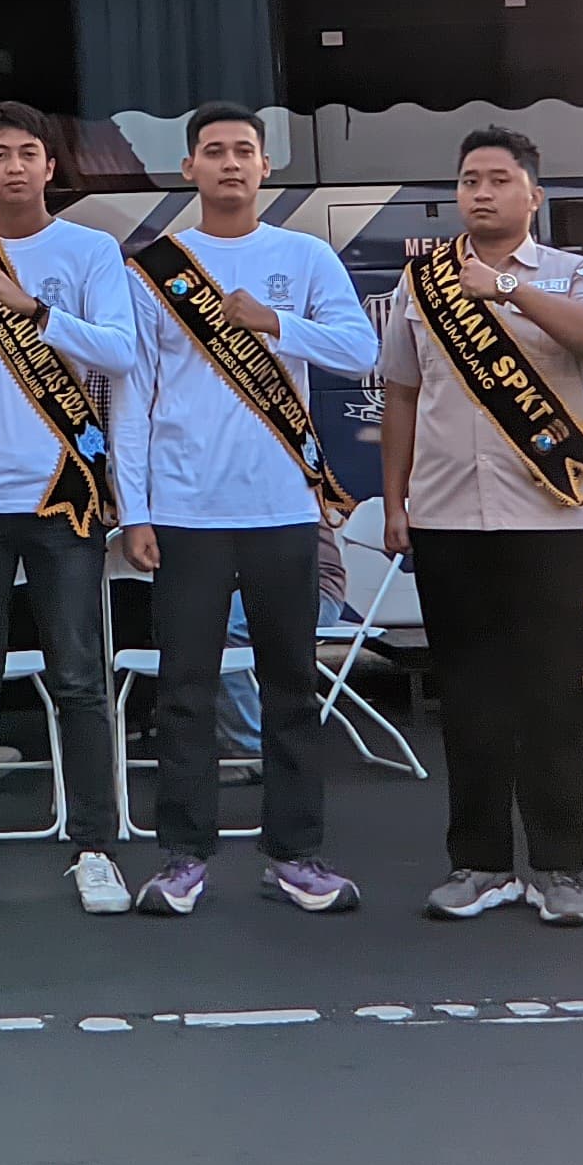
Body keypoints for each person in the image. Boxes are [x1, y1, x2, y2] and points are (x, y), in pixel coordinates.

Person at [115, 101, 378, 917]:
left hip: (283, 508)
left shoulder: (302, 257)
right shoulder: (153, 267)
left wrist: (276, 323)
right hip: (186, 509)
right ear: (188, 168)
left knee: (291, 686)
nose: (230, 164)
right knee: (184, 691)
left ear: (266, 167)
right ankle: (181, 858)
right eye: (213, 152)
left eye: (244, 151)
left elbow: (359, 350)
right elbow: (130, 395)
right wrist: (136, 510)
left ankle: (298, 856)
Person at [376, 125, 583, 926]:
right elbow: (401, 394)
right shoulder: (422, 284)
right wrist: (393, 503)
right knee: (471, 698)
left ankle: (559, 868)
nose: (480, 193)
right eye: (468, 181)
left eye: (496, 179)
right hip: (449, 517)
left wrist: (510, 293)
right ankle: (478, 863)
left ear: (532, 194)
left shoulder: (576, 273)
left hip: (550, 519)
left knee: (550, 697)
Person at [0, 103, 142, 918]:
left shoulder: (90, 251)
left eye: (28, 153)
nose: (13, 166)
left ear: (52, 166)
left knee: (79, 676)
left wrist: (39, 313)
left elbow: (122, 351)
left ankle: (94, 848)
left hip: (64, 496)